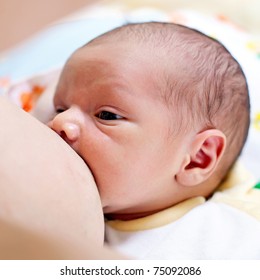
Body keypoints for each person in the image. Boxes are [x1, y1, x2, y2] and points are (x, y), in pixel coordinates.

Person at [43, 22, 260, 259]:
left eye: (107, 115)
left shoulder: (234, 236)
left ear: (197, 159)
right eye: (60, 108)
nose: (59, 122)